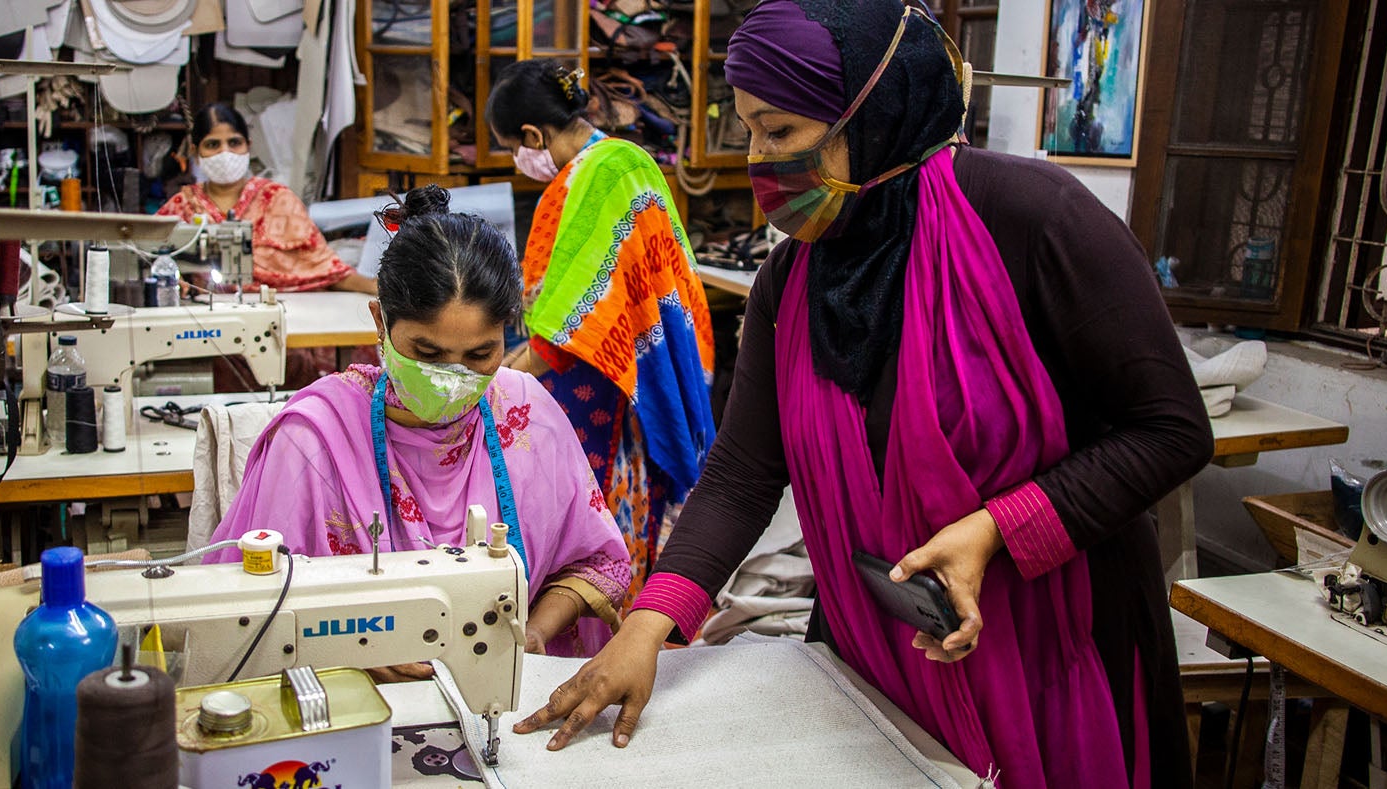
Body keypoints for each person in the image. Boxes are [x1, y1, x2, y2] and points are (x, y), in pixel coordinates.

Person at [510, 4, 1214, 788]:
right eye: (747, 130)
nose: (758, 161)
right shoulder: (794, 279)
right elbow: (745, 472)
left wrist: (994, 528)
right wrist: (648, 622)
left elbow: (1169, 429)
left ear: (877, 114)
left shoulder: (1036, 221)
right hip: (879, 644)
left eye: (779, 133)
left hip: (1049, 644)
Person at [206, 185, 631, 660]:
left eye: (480, 354)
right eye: (427, 354)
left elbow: (594, 563)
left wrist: (533, 631)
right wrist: (356, 648)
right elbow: (255, 609)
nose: (452, 378)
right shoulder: (311, 441)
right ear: (379, 321)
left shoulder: (527, 415)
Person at [486, 60, 717, 605]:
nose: (518, 162)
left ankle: (601, 626)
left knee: (593, 509)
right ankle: (636, 611)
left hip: (599, 381)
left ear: (532, 136)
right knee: (627, 498)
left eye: (510, 148)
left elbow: (568, 321)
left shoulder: (590, 177)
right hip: (637, 364)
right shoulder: (629, 161)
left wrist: (498, 378)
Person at [158, 103, 375, 295]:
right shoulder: (183, 206)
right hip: (208, 317)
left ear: (248, 146)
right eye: (213, 144)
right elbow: (150, 256)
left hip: (287, 313)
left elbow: (326, 269)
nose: (225, 152)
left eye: (234, 143)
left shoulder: (277, 199)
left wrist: (374, 287)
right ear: (196, 152)